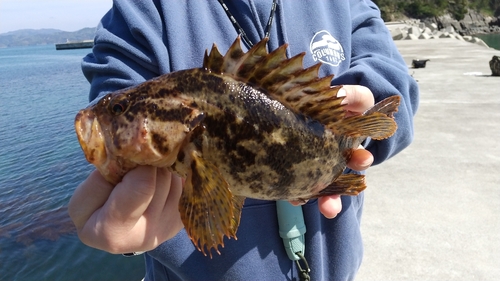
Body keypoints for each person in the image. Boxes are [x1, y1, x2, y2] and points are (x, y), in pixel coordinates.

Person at [68, 1, 419, 280]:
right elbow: (114, 83)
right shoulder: (141, 12)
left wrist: (362, 112)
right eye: (119, 108)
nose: (109, 116)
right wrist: (128, 216)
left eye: (119, 108)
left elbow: (393, 85)